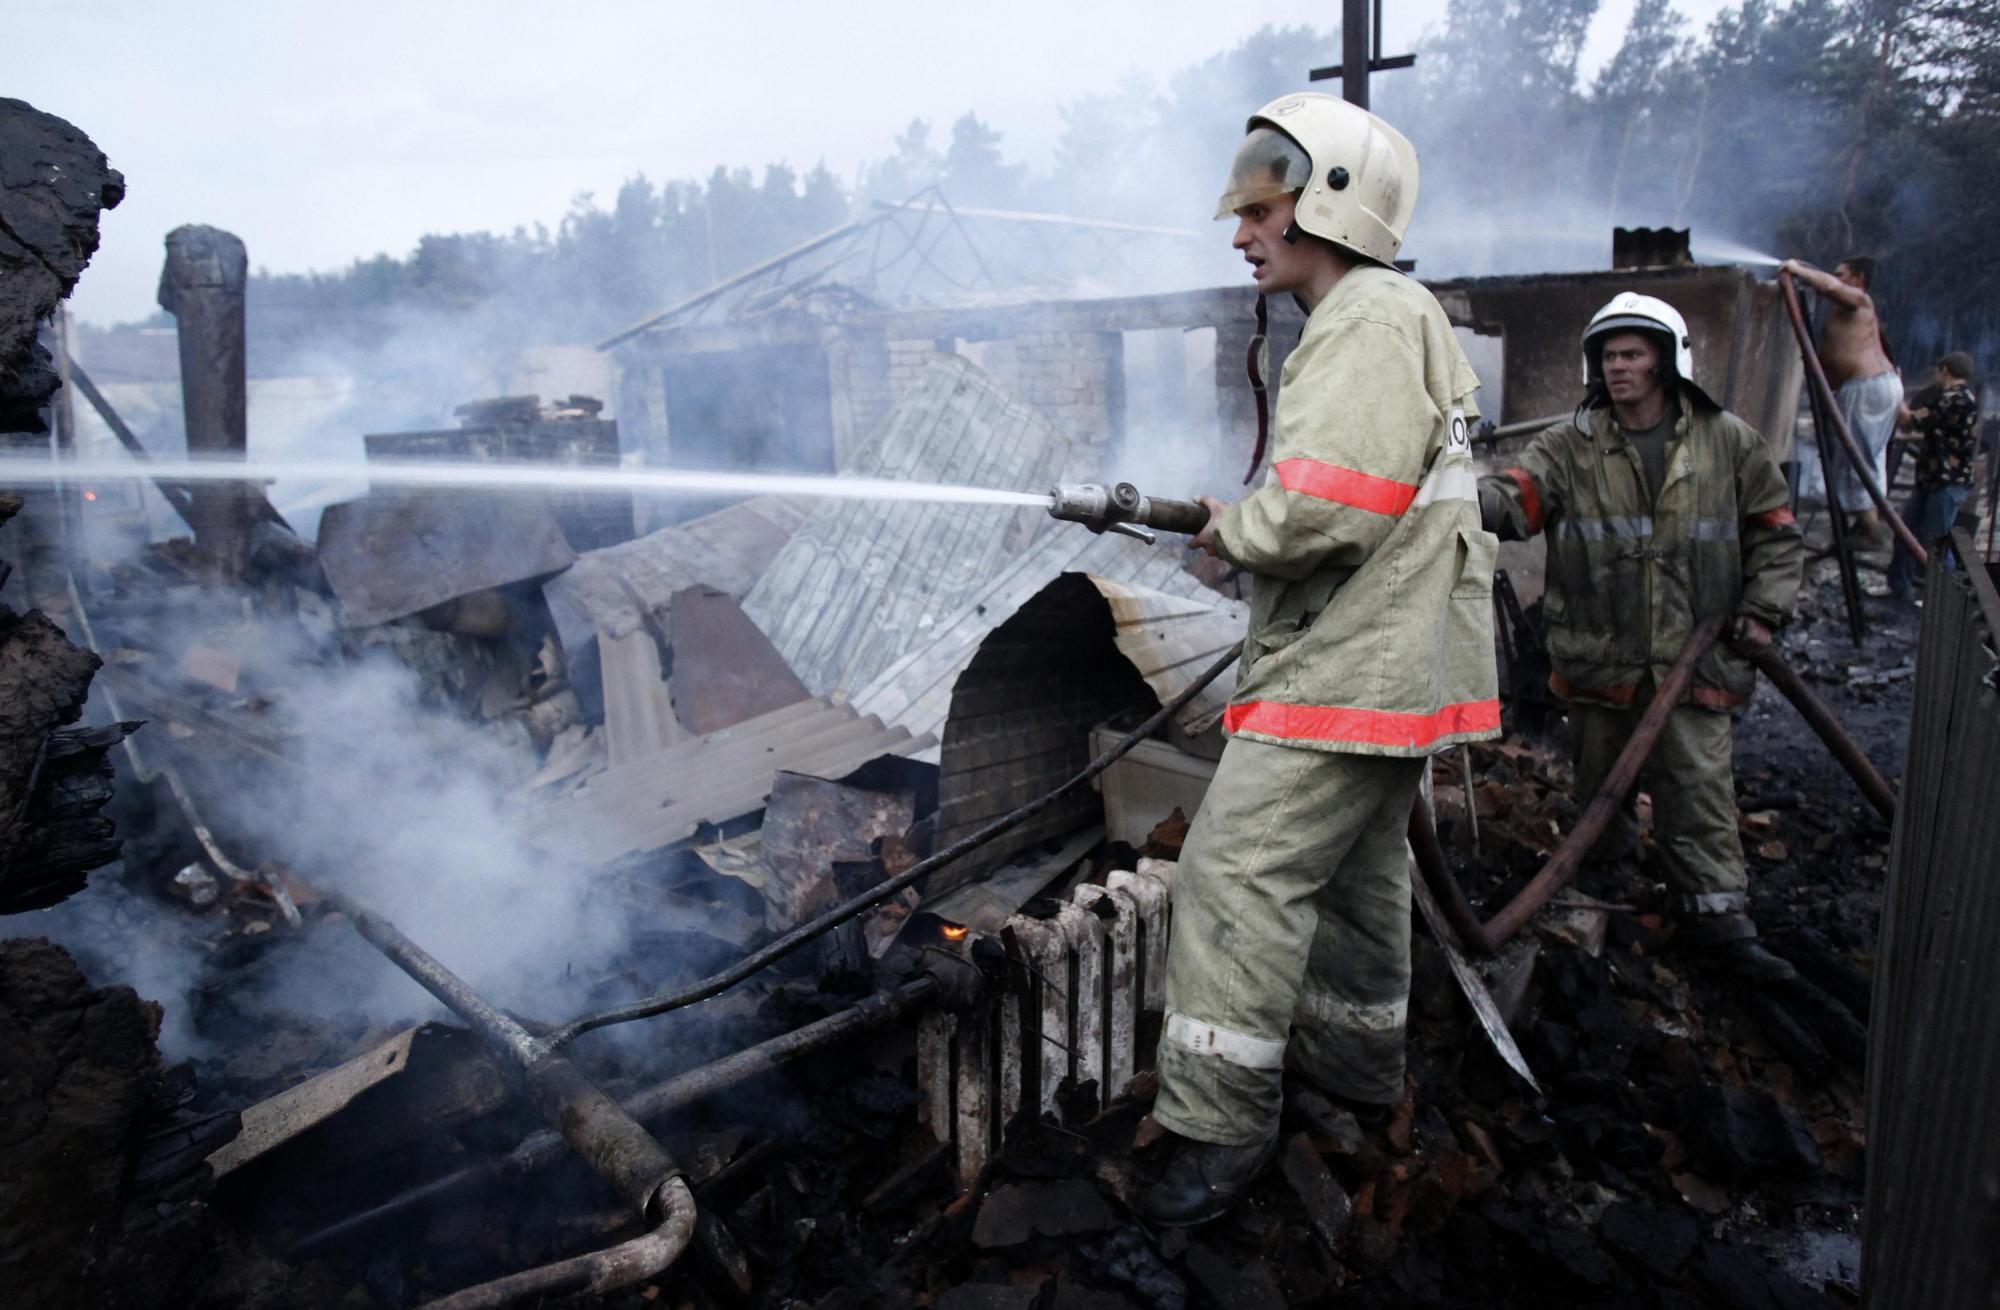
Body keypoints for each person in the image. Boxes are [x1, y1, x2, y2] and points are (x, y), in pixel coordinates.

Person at [1136, 92, 1498, 1227]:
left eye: (1260, 207)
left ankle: (1215, 1130)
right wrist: (1241, 524)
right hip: (1385, 673)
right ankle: (1353, 1075)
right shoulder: (1393, 315)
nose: (1240, 232)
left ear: (1330, 200)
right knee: (1352, 885)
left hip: (1339, 673)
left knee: (1233, 878)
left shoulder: (1362, 319)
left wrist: (1230, 529)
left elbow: (1321, 514)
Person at [1477, 293, 1803, 949]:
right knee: (1599, 798)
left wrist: (1763, 610)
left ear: (1668, 360)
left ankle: (1715, 920)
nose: (1619, 367)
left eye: (1633, 354)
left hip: (1696, 659)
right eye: (1609, 356)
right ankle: (1605, 897)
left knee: (1698, 792)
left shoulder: (1728, 442)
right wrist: (1449, 492)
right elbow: (1513, 500)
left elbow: (1775, 534)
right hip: (1603, 661)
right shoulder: (1569, 446)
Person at [1780, 256, 1902, 540]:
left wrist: (1796, 269)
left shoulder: (1859, 299)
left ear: (1858, 278)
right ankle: (1866, 523)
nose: (1836, 278)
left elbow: (1830, 285)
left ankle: (1871, 531)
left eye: (1842, 274)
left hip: (1866, 387)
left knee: (1855, 457)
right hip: (1873, 387)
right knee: (1868, 456)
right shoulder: (1847, 310)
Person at [1888, 351, 1980, 598]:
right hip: (1932, 480)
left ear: (1945, 371)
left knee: (1937, 542)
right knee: (1907, 533)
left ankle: (1945, 598)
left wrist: (1894, 386)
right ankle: (1900, 589)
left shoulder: (1952, 399)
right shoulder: (1959, 399)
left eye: (1938, 372)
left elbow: (1909, 421)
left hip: (1946, 482)